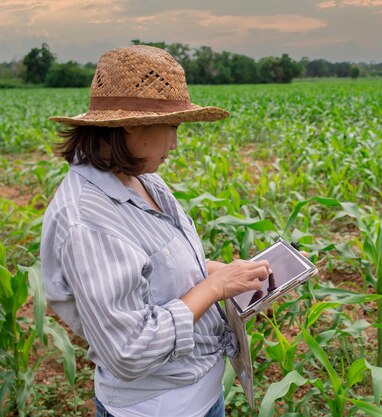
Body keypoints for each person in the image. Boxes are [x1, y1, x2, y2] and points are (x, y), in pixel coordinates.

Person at [40, 45, 272, 417]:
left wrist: (237, 274)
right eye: (173, 127)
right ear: (131, 123)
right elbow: (129, 349)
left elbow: (164, 264)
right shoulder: (89, 220)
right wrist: (213, 288)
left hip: (202, 395)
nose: (175, 143)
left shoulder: (143, 180)